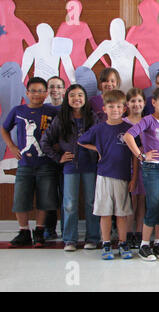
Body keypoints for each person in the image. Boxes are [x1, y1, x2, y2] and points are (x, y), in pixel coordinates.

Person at [78, 89, 137, 260]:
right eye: (111, 106)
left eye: (119, 106)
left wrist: (134, 178)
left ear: (124, 108)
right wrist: (98, 149)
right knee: (105, 213)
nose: (115, 110)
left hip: (123, 177)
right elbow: (81, 141)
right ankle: (106, 243)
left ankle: (123, 243)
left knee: (121, 213)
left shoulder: (129, 129)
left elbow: (135, 154)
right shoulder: (99, 129)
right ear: (104, 109)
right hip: (103, 176)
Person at [40, 84, 100, 251]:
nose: (76, 98)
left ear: (85, 98)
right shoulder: (61, 118)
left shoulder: (92, 117)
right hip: (70, 168)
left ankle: (93, 238)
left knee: (91, 202)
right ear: (67, 99)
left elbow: (101, 139)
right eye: (72, 95)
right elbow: (45, 142)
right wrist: (58, 157)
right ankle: (70, 240)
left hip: (90, 167)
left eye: (80, 95)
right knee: (69, 204)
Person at [1, 77, 59, 248]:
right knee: (21, 198)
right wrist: (11, 146)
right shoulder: (18, 110)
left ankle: (39, 231)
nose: (36, 94)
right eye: (33, 91)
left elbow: (61, 131)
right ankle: (24, 231)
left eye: (41, 91)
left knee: (45, 199)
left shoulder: (52, 111)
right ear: (27, 93)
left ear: (46, 93)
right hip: (25, 164)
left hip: (46, 163)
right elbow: (4, 128)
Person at [123, 87, 159, 261]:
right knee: (153, 205)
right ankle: (144, 245)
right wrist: (141, 155)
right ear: (153, 102)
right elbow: (128, 136)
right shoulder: (148, 120)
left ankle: (158, 243)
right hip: (151, 168)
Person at [123, 88, 146, 249]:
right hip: (127, 167)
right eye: (133, 101)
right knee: (130, 202)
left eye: (139, 101)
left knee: (142, 201)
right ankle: (128, 233)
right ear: (127, 104)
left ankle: (139, 232)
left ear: (144, 103)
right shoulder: (123, 123)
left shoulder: (147, 121)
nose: (136, 104)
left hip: (145, 167)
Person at [43, 76, 66, 240]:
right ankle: (49, 228)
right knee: (49, 194)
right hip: (49, 159)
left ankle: (66, 229)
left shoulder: (69, 107)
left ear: (64, 89)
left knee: (67, 195)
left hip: (67, 159)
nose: (55, 90)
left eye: (58, 86)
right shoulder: (44, 108)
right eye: (52, 87)